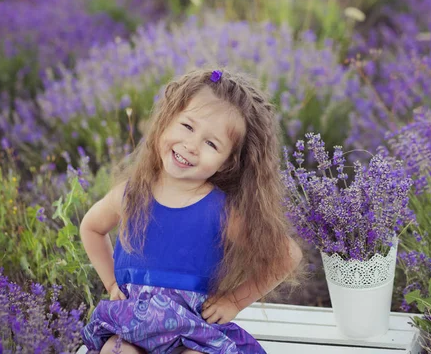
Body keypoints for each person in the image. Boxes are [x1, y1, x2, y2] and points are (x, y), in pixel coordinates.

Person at [79, 69, 303, 354]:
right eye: (187, 126)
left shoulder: (222, 211)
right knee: (116, 351)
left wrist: (233, 302)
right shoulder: (131, 195)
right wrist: (111, 281)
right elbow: (91, 228)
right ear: (165, 121)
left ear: (226, 163)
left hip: (192, 334)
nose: (191, 145)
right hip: (130, 327)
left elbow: (286, 255)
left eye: (211, 144)